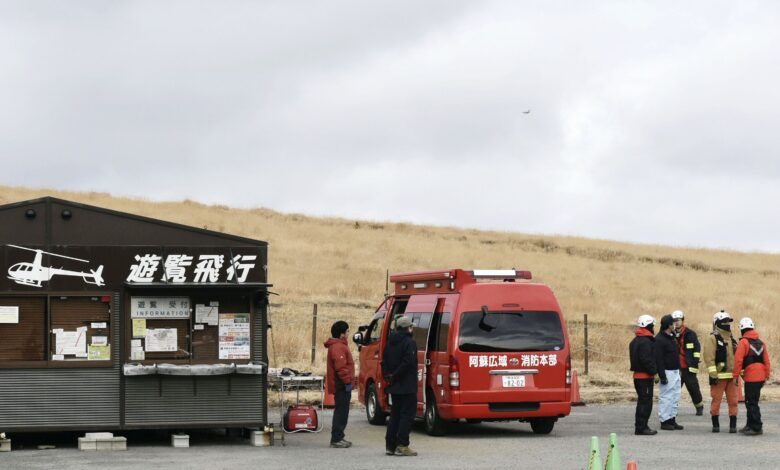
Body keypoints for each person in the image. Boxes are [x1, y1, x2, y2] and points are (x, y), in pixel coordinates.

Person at [381, 316, 418, 457]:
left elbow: (384, 362)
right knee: (407, 415)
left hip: (394, 385)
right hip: (407, 385)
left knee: (395, 415)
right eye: (411, 327)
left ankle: (390, 446)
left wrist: (389, 376)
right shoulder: (410, 343)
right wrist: (396, 375)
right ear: (408, 328)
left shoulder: (390, 342)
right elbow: (408, 363)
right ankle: (402, 445)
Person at [733, 317, 771, 436]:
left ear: (742, 330)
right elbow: (767, 361)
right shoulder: (761, 343)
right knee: (751, 401)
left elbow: (738, 361)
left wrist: (735, 376)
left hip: (751, 377)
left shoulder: (743, 342)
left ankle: (756, 427)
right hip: (760, 377)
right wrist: (767, 375)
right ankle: (749, 425)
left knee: (751, 402)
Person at [704, 310, 739, 433]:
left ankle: (733, 426)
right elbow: (709, 358)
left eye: (728, 321)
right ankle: (715, 425)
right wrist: (713, 375)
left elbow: (738, 358)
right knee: (716, 401)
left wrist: (739, 374)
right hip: (718, 377)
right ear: (717, 323)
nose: (727, 324)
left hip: (732, 377)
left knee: (734, 402)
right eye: (724, 321)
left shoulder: (732, 338)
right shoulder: (712, 338)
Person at [325, 320, 355, 448]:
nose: (348, 333)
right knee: (341, 412)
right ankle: (336, 439)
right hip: (341, 385)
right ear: (342, 334)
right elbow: (341, 368)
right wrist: (347, 382)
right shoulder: (338, 347)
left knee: (342, 411)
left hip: (341, 385)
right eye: (347, 331)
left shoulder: (339, 345)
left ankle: (339, 436)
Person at [629, 314, 658, 435]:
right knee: (645, 403)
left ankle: (641, 426)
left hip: (638, 377)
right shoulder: (646, 341)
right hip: (644, 377)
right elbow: (646, 360)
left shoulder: (635, 340)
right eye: (652, 325)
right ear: (648, 326)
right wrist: (654, 372)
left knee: (642, 402)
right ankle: (642, 427)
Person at [672, 310, 704, 415]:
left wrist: (695, 361)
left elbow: (697, 348)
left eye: (678, 320)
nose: (676, 322)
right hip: (675, 368)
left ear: (682, 320)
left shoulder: (690, 334)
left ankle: (699, 407)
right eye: (674, 320)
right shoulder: (670, 334)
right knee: (674, 390)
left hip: (688, 367)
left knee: (693, 388)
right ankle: (672, 410)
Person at [655, 314, 683, 430]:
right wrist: (662, 376)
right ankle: (664, 420)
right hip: (667, 372)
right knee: (666, 397)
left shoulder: (672, 337)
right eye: (673, 323)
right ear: (668, 325)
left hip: (675, 371)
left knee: (675, 396)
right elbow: (658, 359)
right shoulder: (659, 339)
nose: (675, 324)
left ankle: (672, 419)